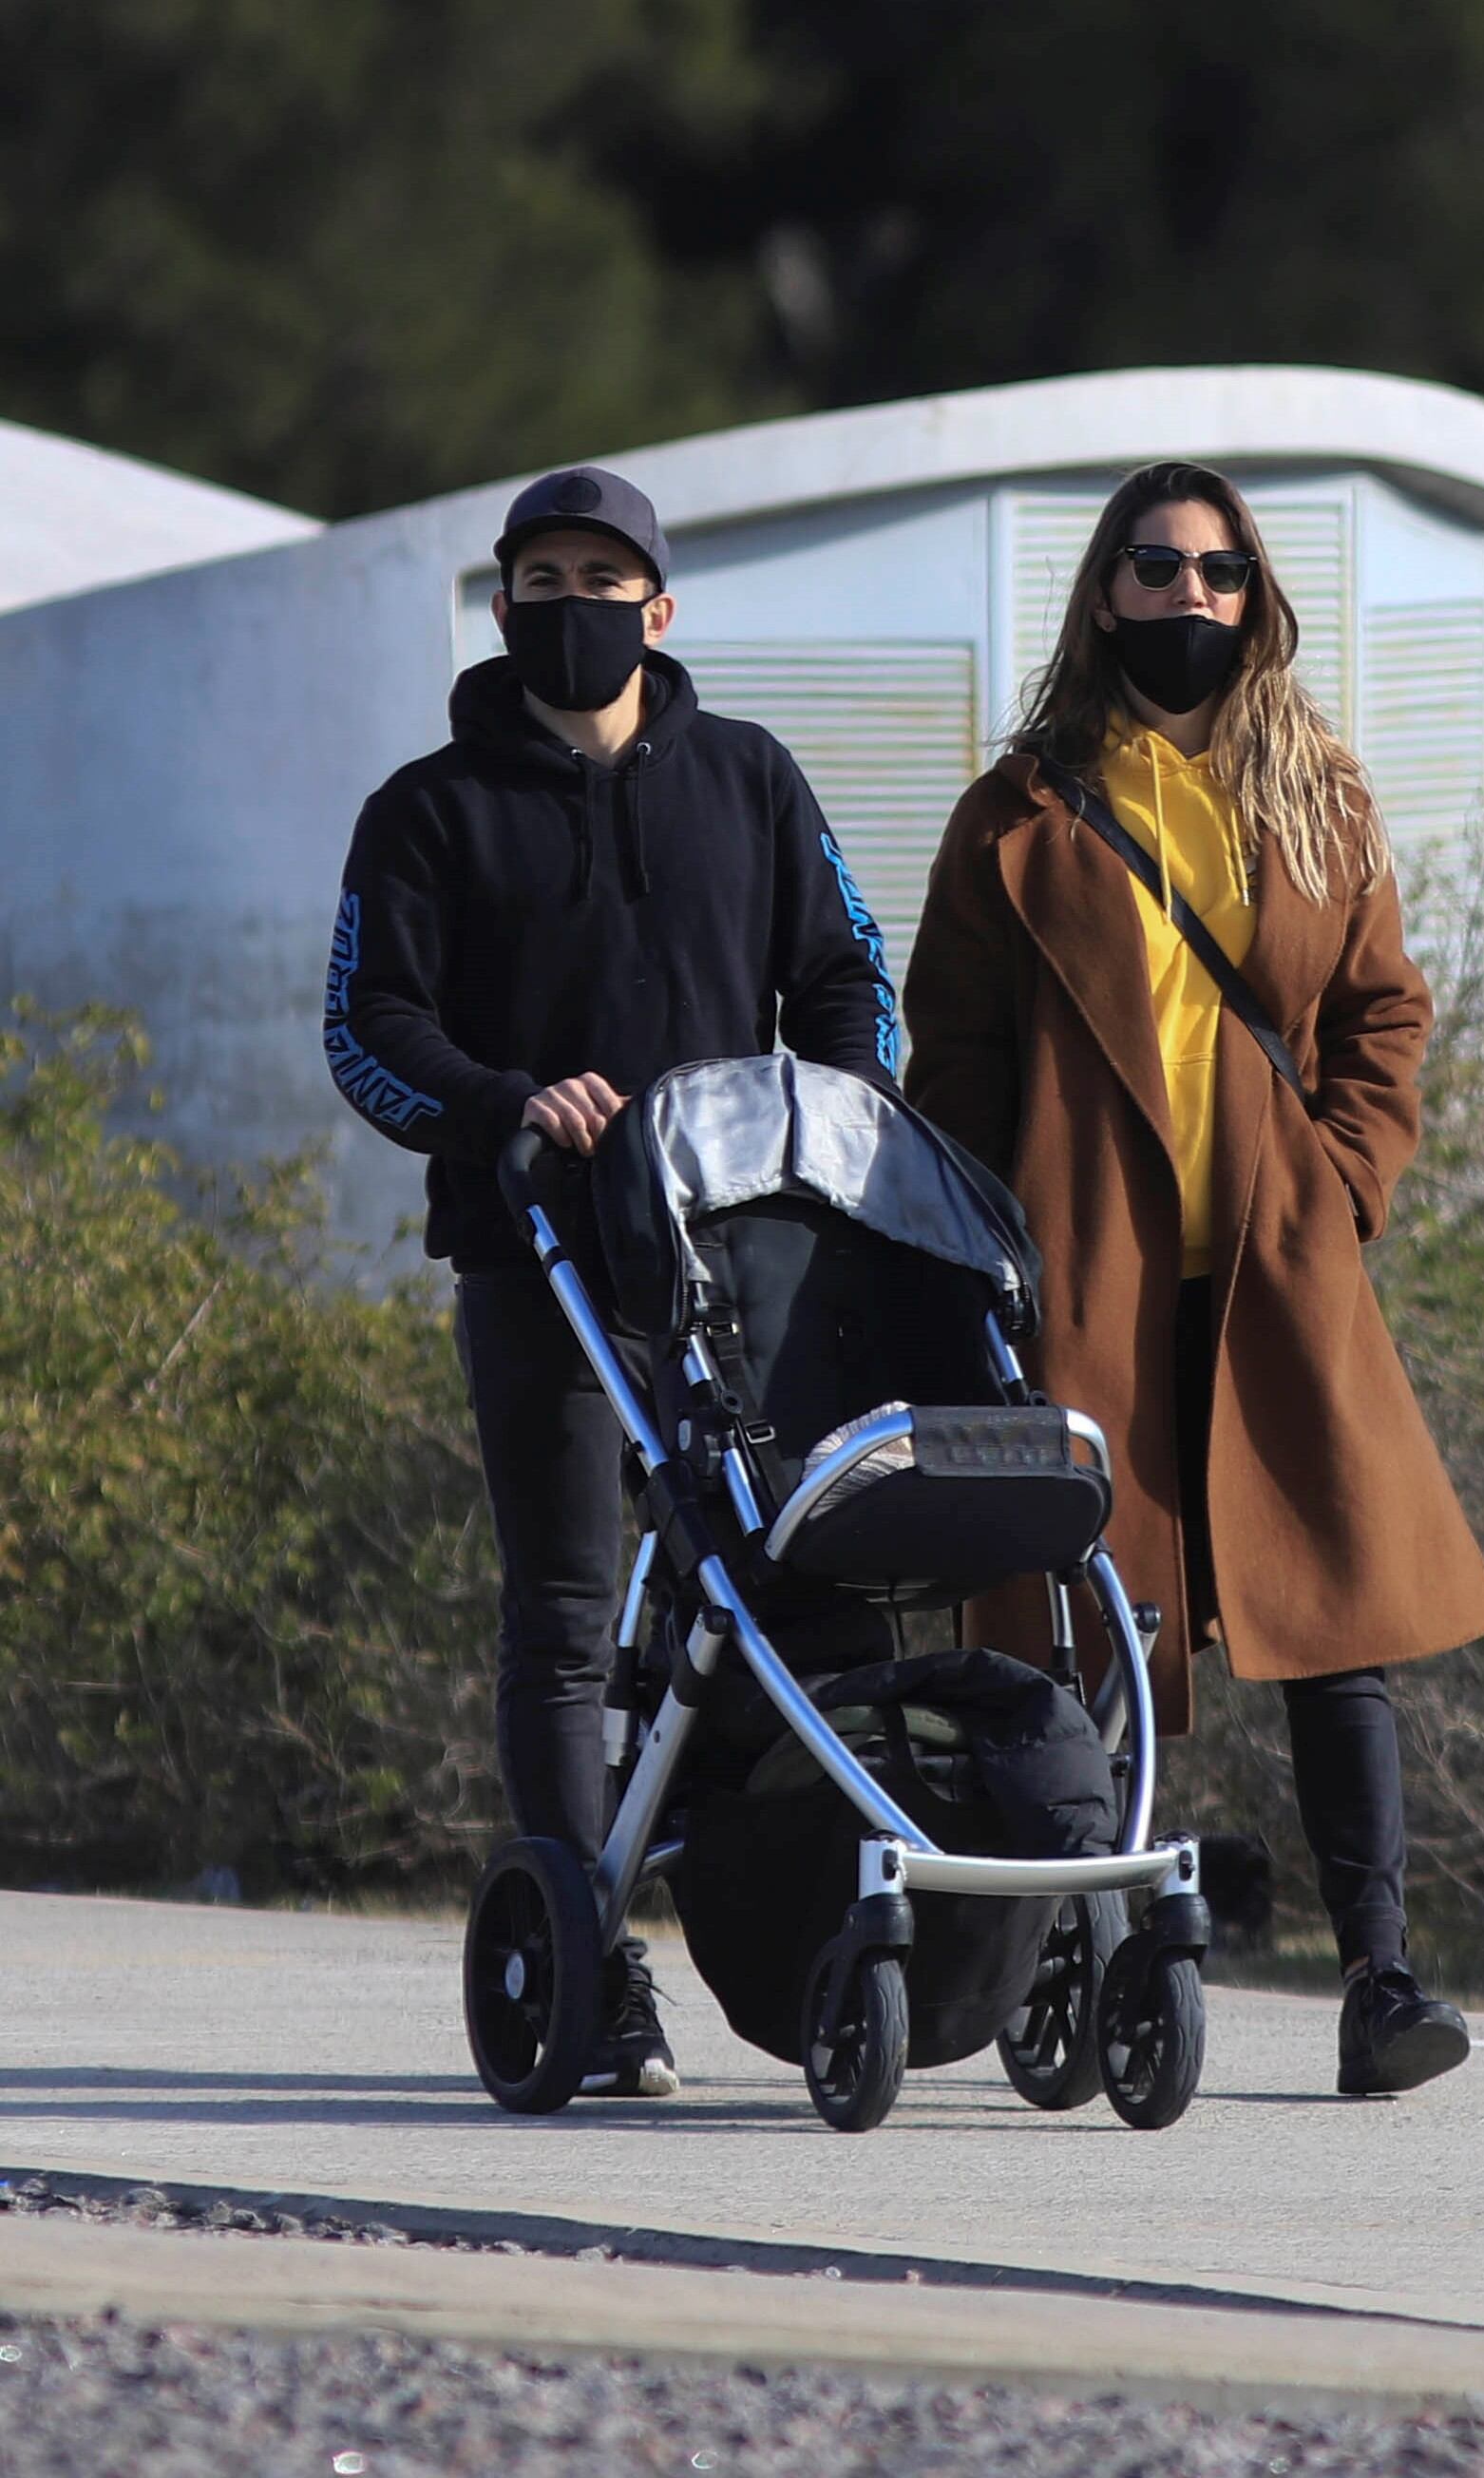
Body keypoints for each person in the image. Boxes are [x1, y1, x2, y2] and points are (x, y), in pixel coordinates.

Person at [904, 461, 1484, 2098]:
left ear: (1256, 597)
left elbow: (1384, 1016)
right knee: (1101, 1635)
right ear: (1104, 593)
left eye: (1218, 573)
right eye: (1156, 570)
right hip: (1084, 1275)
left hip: (1274, 1264)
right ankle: (1113, 1949)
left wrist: (1346, 1177)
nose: (1188, 600)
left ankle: (1380, 1977)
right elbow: (942, 1048)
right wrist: (993, 1230)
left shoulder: (1318, 790)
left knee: (1335, 1626)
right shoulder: (1018, 807)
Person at [326, 466, 904, 2097]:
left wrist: (831, 1123)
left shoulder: (750, 778)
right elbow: (368, 1029)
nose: (568, 602)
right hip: (543, 1269)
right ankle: (594, 1958)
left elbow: (850, 972)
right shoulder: (427, 809)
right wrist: (509, 1099)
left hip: (747, 1272)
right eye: (538, 576)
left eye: (601, 574)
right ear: (503, 607)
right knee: (568, 1617)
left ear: (660, 606)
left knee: (784, 1598)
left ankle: (818, 1928)